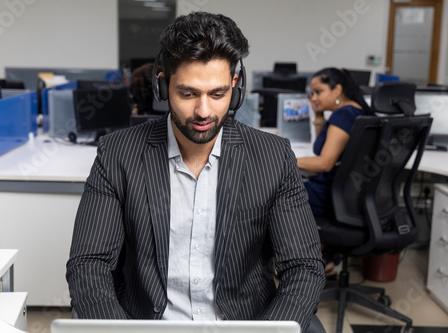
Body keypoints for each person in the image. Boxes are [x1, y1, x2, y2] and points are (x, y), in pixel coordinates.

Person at [66, 11, 325, 332]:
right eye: (188, 94)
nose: (203, 111)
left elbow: (304, 267)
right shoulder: (118, 154)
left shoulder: (272, 157)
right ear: (163, 87)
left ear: (235, 86)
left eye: (217, 94)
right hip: (148, 326)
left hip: (245, 325)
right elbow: (89, 264)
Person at [296, 68, 372, 273]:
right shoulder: (356, 111)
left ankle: (297, 262)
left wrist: (282, 160)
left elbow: (325, 162)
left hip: (329, 195)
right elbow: (323, 146)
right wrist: (319, 113)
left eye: (318, 91)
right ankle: (323, 254)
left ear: (337, 90)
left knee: (273, 193)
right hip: (346, 195)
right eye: (312, 93)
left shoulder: (344, 115)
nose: (314, 97)